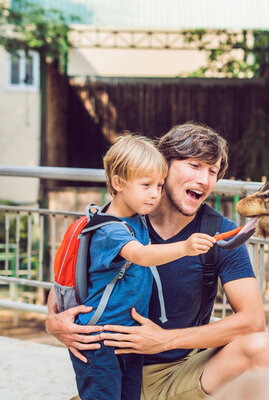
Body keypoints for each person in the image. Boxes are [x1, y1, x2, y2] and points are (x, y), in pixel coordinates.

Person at [46, 122, 269, 399]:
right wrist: (53, 324)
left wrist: (163, 340)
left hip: (178, 374)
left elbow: (252, 321)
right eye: (195, 166)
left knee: (264, 348)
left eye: (212, 171)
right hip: (113, 369)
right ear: (164, 165)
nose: (204, 180)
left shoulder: (218, 235)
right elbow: (60, 297)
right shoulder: (117, 223)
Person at [67, 134, 216, 400]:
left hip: (127, 339)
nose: (155, 194)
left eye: (159, 185)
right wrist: (185, 247)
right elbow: (140, 254)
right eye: (146, 185)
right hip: (100, 340)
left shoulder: (137, 219)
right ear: (118, 183)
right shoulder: (110, 230)